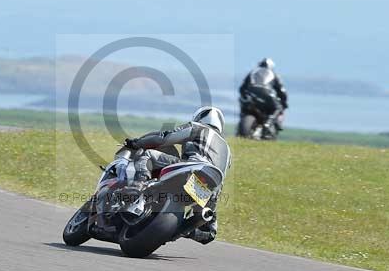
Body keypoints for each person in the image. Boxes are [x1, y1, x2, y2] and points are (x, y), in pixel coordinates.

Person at [123, 106, 231, 244]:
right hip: (211, 190)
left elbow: (164, 138)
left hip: (193, 168)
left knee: (148, 155)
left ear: (199, 118)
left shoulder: (197, 127)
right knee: (207, 227)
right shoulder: (227, 151)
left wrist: (136, 143)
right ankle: (188, 228)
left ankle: (137, 187)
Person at [239, 58, 288, 130]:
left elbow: (242, 88)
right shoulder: (273, 74)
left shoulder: (252, 72)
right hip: (266, 94)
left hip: (251, 94)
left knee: (244, 106)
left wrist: (245, 96)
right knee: (278, 107)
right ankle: (268, 123)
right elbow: (282, 91)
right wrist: (284, 102)